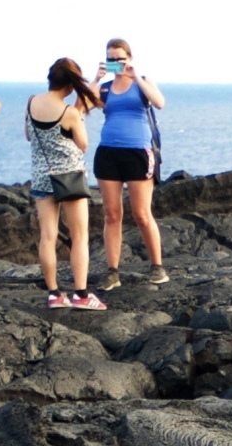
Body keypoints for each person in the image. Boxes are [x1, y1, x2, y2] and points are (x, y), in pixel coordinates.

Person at [26, 59, 104, 310]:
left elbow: (29, 135)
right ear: (70, 86)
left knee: (47, 236)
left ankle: (54, 294)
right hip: (69, 176)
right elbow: (83, 144)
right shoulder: (69, 112)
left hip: (41, 176)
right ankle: (81, 295)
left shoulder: (31, 103)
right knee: (79, 235)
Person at [92, 37, 167, 291]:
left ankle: (157, 267)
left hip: (138, 152)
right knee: (112, 214)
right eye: (110, 59)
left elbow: (159, 102)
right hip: (109, 152)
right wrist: (96, 78)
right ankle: (112, 271)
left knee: (141, 214)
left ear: (129, 58)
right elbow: (85, 105)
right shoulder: (104, 88)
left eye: (119, 59)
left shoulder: (141, 82)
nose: (115, 63)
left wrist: (136, 78)